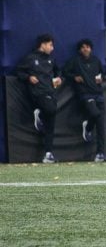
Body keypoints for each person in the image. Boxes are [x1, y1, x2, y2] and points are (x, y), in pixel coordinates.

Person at [15, 33, 63, 164]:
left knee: (51, 123)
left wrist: (59, 79)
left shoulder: (51, 60)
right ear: (43, 44)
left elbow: (59, 71)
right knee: (51, 110)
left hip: (50, 92)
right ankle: (39, 114)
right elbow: (18, 71)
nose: (52, 48)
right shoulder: (30, 58)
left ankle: (48, 154)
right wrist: (28, 77)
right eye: (50, 45)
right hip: (37, 92)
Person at [63, 39, 106, 162]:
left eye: (87, 47)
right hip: (85, 94)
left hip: (98, 93)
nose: (85, 49)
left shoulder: (96, 60)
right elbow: (65, 72)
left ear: (91, 48)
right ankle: (87, 127)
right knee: (95, 114)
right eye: (83, 47)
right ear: (79, 50)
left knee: (101, 124)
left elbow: (103, 74)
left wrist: (101, 78)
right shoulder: (74, 61)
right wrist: (74, 77)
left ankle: (100, 153)